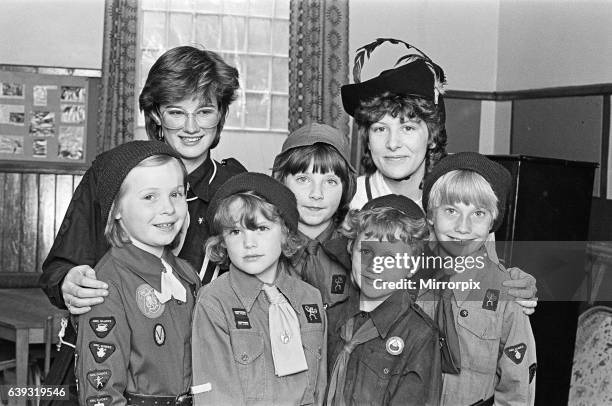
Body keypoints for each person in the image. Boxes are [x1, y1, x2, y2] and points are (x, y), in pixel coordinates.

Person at [39, 46, 245, 403]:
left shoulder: (237, 187)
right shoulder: (113, 171)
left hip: (201, 376)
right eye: (176, 112)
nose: (192, 127)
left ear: (221, 115)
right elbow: (60, 266)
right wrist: (69, 283)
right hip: (104, 371)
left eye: (205, 111)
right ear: (155, 114)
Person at [340, 38, 538, 314]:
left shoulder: (461, 202)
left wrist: (513, 287)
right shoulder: (350, 200)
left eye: (408, 128)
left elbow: (486, 275)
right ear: (367, 139)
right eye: (379, 129)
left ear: (432, 137)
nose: (392, 143)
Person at [75, 141, 200, 406]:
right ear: (116, 209)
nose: (167, 208)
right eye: (149, 197)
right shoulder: (106, 286)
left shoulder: (186, 275)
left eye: (176, 194)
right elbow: (101, 390)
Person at [192, 172, 327, 405]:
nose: (249, 243)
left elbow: (320, 389)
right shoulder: (214, 302)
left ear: (285, 232)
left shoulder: (310, 298)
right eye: (235, 232)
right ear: (222, 242)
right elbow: (216, 397)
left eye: (261, 229)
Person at [417, 152, 536, 405]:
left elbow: (517, 388)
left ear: (493, 221)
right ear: (430, 215)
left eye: (478, 214)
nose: (463, 227)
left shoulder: (506, 292)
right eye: (451, 210)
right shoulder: (407, 277)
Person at [326, 194, 442, 406]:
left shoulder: (420, 335)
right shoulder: (332, 316)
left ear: (413, 266)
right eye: (367, 251)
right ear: (351, 249)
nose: (373, 266)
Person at [271, 122, 356, 309]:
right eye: (303, 179)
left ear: (346, 187)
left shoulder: (357, 250)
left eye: (331, 181)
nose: (316, 194)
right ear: (281, 180)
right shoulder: (263, 247)